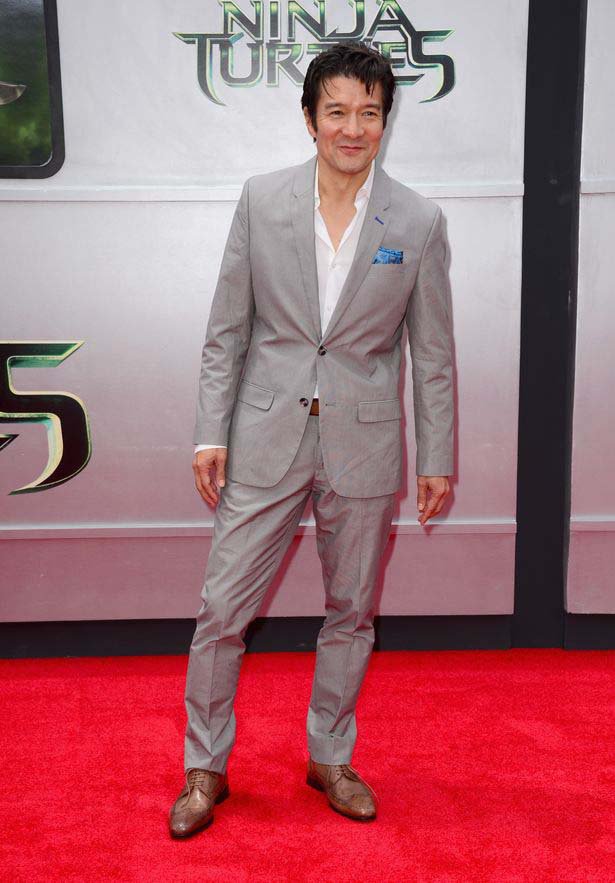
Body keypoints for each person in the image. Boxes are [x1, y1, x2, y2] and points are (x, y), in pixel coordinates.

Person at [169, 41, 454, 838]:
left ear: (385, 121)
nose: (352, 128)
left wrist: (435, 456)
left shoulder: (418, 221)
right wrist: (208, 431)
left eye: (369, 112)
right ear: (309, 118)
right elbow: (227, 330)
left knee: (351, 612)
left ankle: (330, 755)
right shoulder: (262, 200)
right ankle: (204, 765)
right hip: (264, 432)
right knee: (221, 610)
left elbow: (431, 353)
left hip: (364, 442)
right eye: (336, 111)